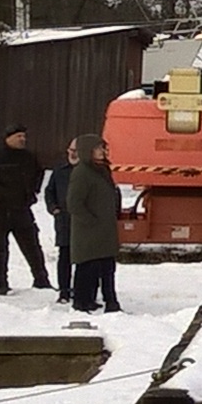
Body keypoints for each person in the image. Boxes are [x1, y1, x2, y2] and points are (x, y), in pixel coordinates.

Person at [0, 124, 53, 295]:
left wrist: (33, 192)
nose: (22, 139)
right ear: (8, 138)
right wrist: (1, 194)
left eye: (24, 136)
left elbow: (39, 174)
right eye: (19, 136)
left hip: (22, 209)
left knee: (33, 246)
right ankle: (1, 284)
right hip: (0, 210)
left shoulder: (29, 158)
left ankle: (41, 280)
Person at [63, 133, 122, 313]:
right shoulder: (82, 172)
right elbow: (74, 203)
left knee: (106, 267)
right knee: (87, 266)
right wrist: (91, 221)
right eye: (98, 148)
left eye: (103, 148)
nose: (102, 151)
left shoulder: (102, 170)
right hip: (89, 230)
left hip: (104, 229)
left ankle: (107, 300)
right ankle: (82, 301)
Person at [44, 149, 75, 298]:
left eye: (77, 151)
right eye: (71, 151)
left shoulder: (90, 171)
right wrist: (53, 208)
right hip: (64, 220)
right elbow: (49, 191)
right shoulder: (60, 171)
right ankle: (64, 291)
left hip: (85, 222)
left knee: (86, 259)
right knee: (65, 256)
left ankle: (83, 290)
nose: (73, 154)